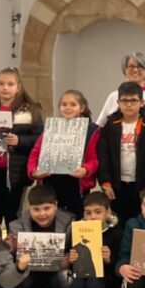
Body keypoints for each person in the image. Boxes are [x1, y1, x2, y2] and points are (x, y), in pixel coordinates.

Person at [0, 68, 44, 223]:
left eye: (10, 84)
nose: (5, 88)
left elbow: (40, 139)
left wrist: (20, 141)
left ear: (18, 87)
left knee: (13, 215)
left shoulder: (30, 111)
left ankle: (12, 239)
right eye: (1, 84)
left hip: (15, 173)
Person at [6, 184, 74, 288]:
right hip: (29, 271)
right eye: (36, 209)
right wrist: (13, 250)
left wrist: (69, 259)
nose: (42, 214)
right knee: (15, 280)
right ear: (29, 208)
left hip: (57, 270)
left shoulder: (70, 224)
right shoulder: (16, 226)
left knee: (65, 280)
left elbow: (76, 249)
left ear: (55, 205)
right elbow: (9, 255)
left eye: (47, 208)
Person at [28, 89, 100, 218]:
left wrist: (85, 170)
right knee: (52, 218)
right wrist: (34, 171)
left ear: (82, 107)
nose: (68, 108)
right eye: (64, 104)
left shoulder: (91, 131)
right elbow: (35, 153)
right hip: (50, 181)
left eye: (73, 104)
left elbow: (94, 158)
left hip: (77, 183)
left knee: (77, 217)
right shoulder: (51, 128)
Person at [96, 81, 145, 225]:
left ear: (142, 103)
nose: (129, 104)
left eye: (133, 100)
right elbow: (103, 155)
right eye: (124, 100)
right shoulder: (110, 126)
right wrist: (105, 182)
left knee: (139, 223)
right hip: (116, 185)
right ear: (118, 102)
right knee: (117, 223)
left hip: (142, 185)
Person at [66, 192, 123, 288]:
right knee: (75, 285)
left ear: (108, 212)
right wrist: (71, 259)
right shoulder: (77, 230)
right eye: (88, 212)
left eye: (98, 212)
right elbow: (69, 256)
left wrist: (109, 259)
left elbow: (121, 260)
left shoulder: (116, 232)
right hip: (81, 273)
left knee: (93, 283)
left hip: (107, 276)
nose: (92, 217)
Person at [95, 52, 145, 126]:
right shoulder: (114, 96)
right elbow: (100, 124)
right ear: (124, 70)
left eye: (140, 66)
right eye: (131, 66)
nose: (135, 70)